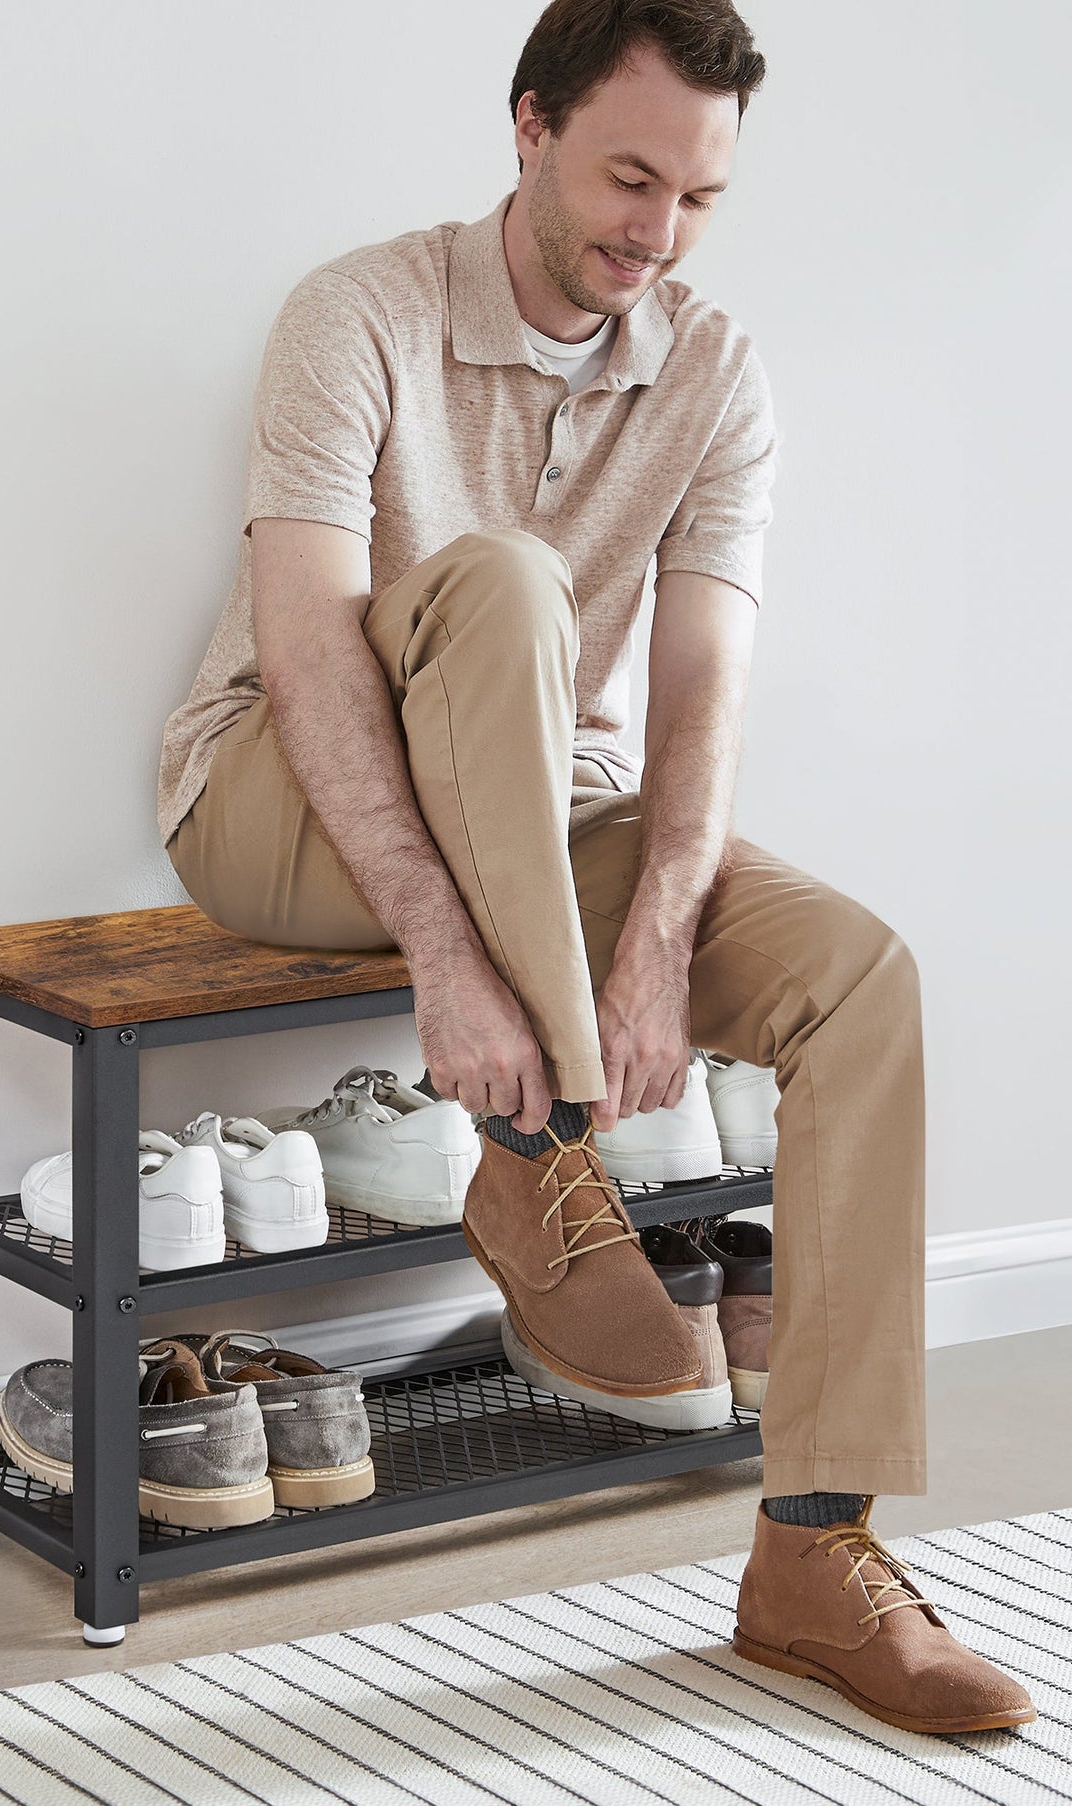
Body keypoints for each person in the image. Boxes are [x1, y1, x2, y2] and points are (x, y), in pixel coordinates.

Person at [156, 0, 1034, 1736]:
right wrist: (447, 962)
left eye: (697, 197)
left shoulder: (716, 373)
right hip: (280, 799)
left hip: (548, 820)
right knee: (503, 580)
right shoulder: (358, 312)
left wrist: (654, 949)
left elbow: (699, 705)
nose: (656, 229)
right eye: (629, 176)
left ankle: (811, 1549)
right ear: (528, 127)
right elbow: (315, 657)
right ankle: (537, 1156)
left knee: (858, 975)